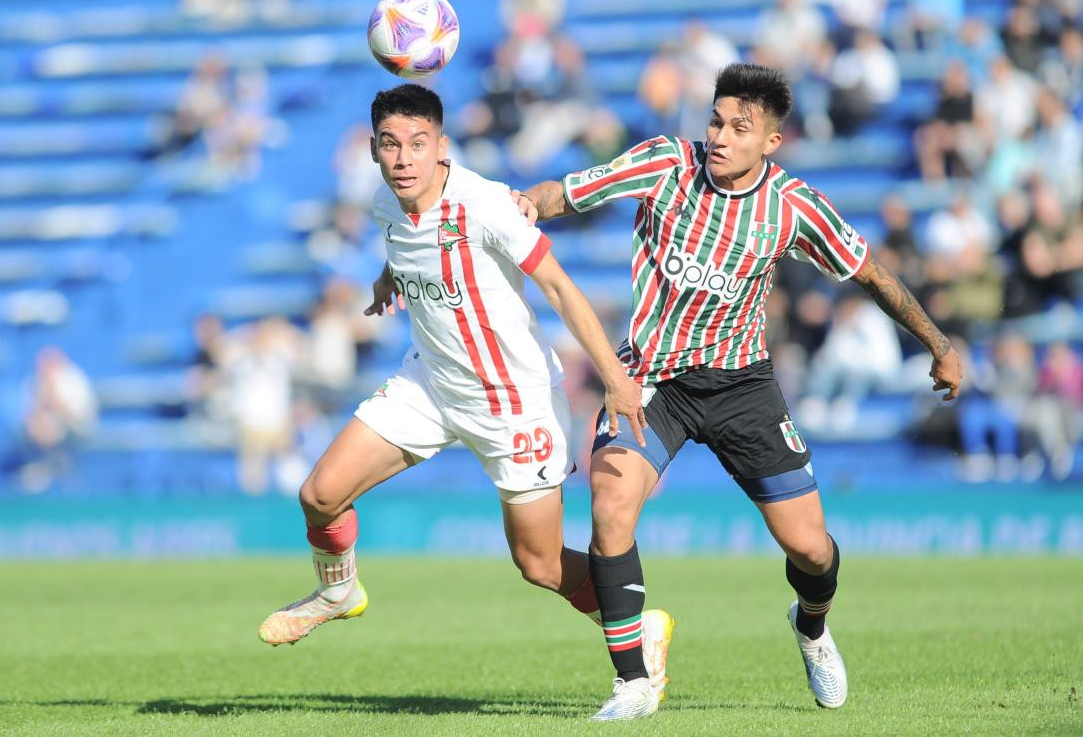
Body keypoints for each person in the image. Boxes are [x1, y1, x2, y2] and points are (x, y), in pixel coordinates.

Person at [512, 63, 963, 718]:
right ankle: (633, 681)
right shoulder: (667, 163)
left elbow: (869, 272)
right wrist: (531, 204)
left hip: (743, 388)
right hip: (653, 380)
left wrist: (939, 345)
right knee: (610, 507)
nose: (720, 136)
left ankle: (810, 626)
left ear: (770, 143)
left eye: (739, 128)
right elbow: (571, 191)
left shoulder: (792, 206)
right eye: (716, 121)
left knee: (809, 547)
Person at [257, 85, 675, 715]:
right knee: (318, 494)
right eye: (391, 145)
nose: (404, 159)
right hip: (429, 382)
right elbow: (410, 247)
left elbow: (560, 289)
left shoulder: (484, 206)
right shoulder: (384, 203)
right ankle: (338, 593)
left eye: (418, 145)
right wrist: (388, 278)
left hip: (515, 404)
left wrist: (616, 379)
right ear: (374, 150)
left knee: (537, 564)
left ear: (442, 147)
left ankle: (637, 626)